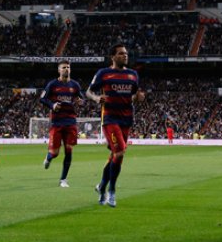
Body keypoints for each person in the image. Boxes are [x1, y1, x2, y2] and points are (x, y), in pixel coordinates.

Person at [87, 45, 145, 208]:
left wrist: (138, 97)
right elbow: (89, 92)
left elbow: (134, 96)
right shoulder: (103, 73)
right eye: (121, 54)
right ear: (113, 56)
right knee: (119, 152)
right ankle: (112, 190)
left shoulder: (133, 75)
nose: (124, 56)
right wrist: (96, 98)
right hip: (110, 118)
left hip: (126, 119)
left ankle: (102, 187)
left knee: (115, 156)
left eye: (126, 54)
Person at [40, 60, 85, 187]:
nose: (66, 69)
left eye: (68, 67)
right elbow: (42, 98)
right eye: (64, 67)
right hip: (57, 122)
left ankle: (63, 179)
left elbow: (81, 98)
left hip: (70, 121)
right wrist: (52, 105)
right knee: (55, 153)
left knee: (69, 151)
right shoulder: (53, 84)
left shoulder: (75, 85)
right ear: (59, 70)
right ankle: (49, 157)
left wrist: (81, 102)